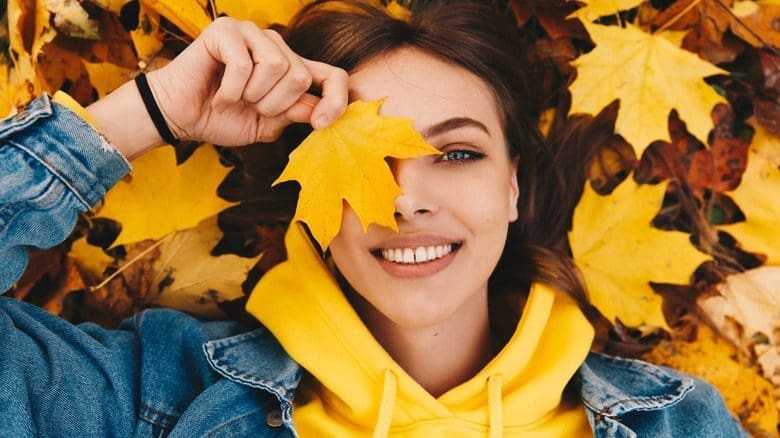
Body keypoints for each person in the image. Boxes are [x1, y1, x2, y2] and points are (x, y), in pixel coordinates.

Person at [0, 0, 745, 436]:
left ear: (514, 186)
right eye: (358, 159)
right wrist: (146, 114)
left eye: (456, 154)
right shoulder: (159, 394)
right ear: (310, 198)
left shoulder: (675, 423)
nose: (404, 200)